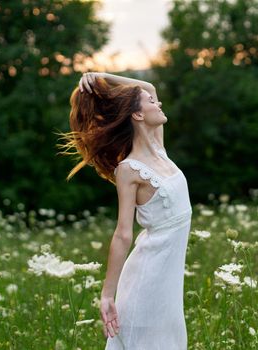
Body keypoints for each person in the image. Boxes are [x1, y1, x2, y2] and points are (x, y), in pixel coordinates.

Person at [57, 72, 193, 349]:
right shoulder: (129, 169)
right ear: (138, 116)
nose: (159, 103)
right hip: (147, 277)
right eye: (151, 103)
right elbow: (122, 234)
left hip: (168, 281)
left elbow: (149, 86)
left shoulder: (159, 149)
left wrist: (99, 76)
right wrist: (107, 295)